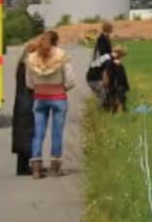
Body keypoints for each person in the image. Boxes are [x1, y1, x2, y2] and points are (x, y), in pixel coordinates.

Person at [26, 30, 75, 178]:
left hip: (40, 96)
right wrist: (63, 88)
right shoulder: (61, 56)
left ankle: (36, 167)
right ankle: (55, 166)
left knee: (38, 133)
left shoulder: (32, 57)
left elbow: (29, 83)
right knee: (57, 132)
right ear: (56, 41)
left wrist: (38, 87)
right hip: (58, 96)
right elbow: (70, 79)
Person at [11, 40, 37, 176]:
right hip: (27, 102)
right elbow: (32, 84)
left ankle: (22, 166)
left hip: (20, 102)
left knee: (21, 135)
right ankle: (25, 167)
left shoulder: (21, 64)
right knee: (28, 133)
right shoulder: (28, 66)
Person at [87, 21, 114, 104]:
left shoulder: (106, 37)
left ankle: (105, 105)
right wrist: (110, 56)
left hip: (104, 62)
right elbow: (102, 53)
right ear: (108, 28)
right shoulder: (101, 38)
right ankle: (102, 106)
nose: (113, 29)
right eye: (112, 28)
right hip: (102, 63)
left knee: (105, 88)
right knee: (102, 88)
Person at [102, 45, 130, 113]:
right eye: (122, 55)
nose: (123, 57)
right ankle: (116, 111)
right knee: (118, 100)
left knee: (114, 100)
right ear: (119, 54)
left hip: (115, 85)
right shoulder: (114, 63)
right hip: (116, 85)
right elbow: (119, 77)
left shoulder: (112, 62)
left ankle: (114, 110)